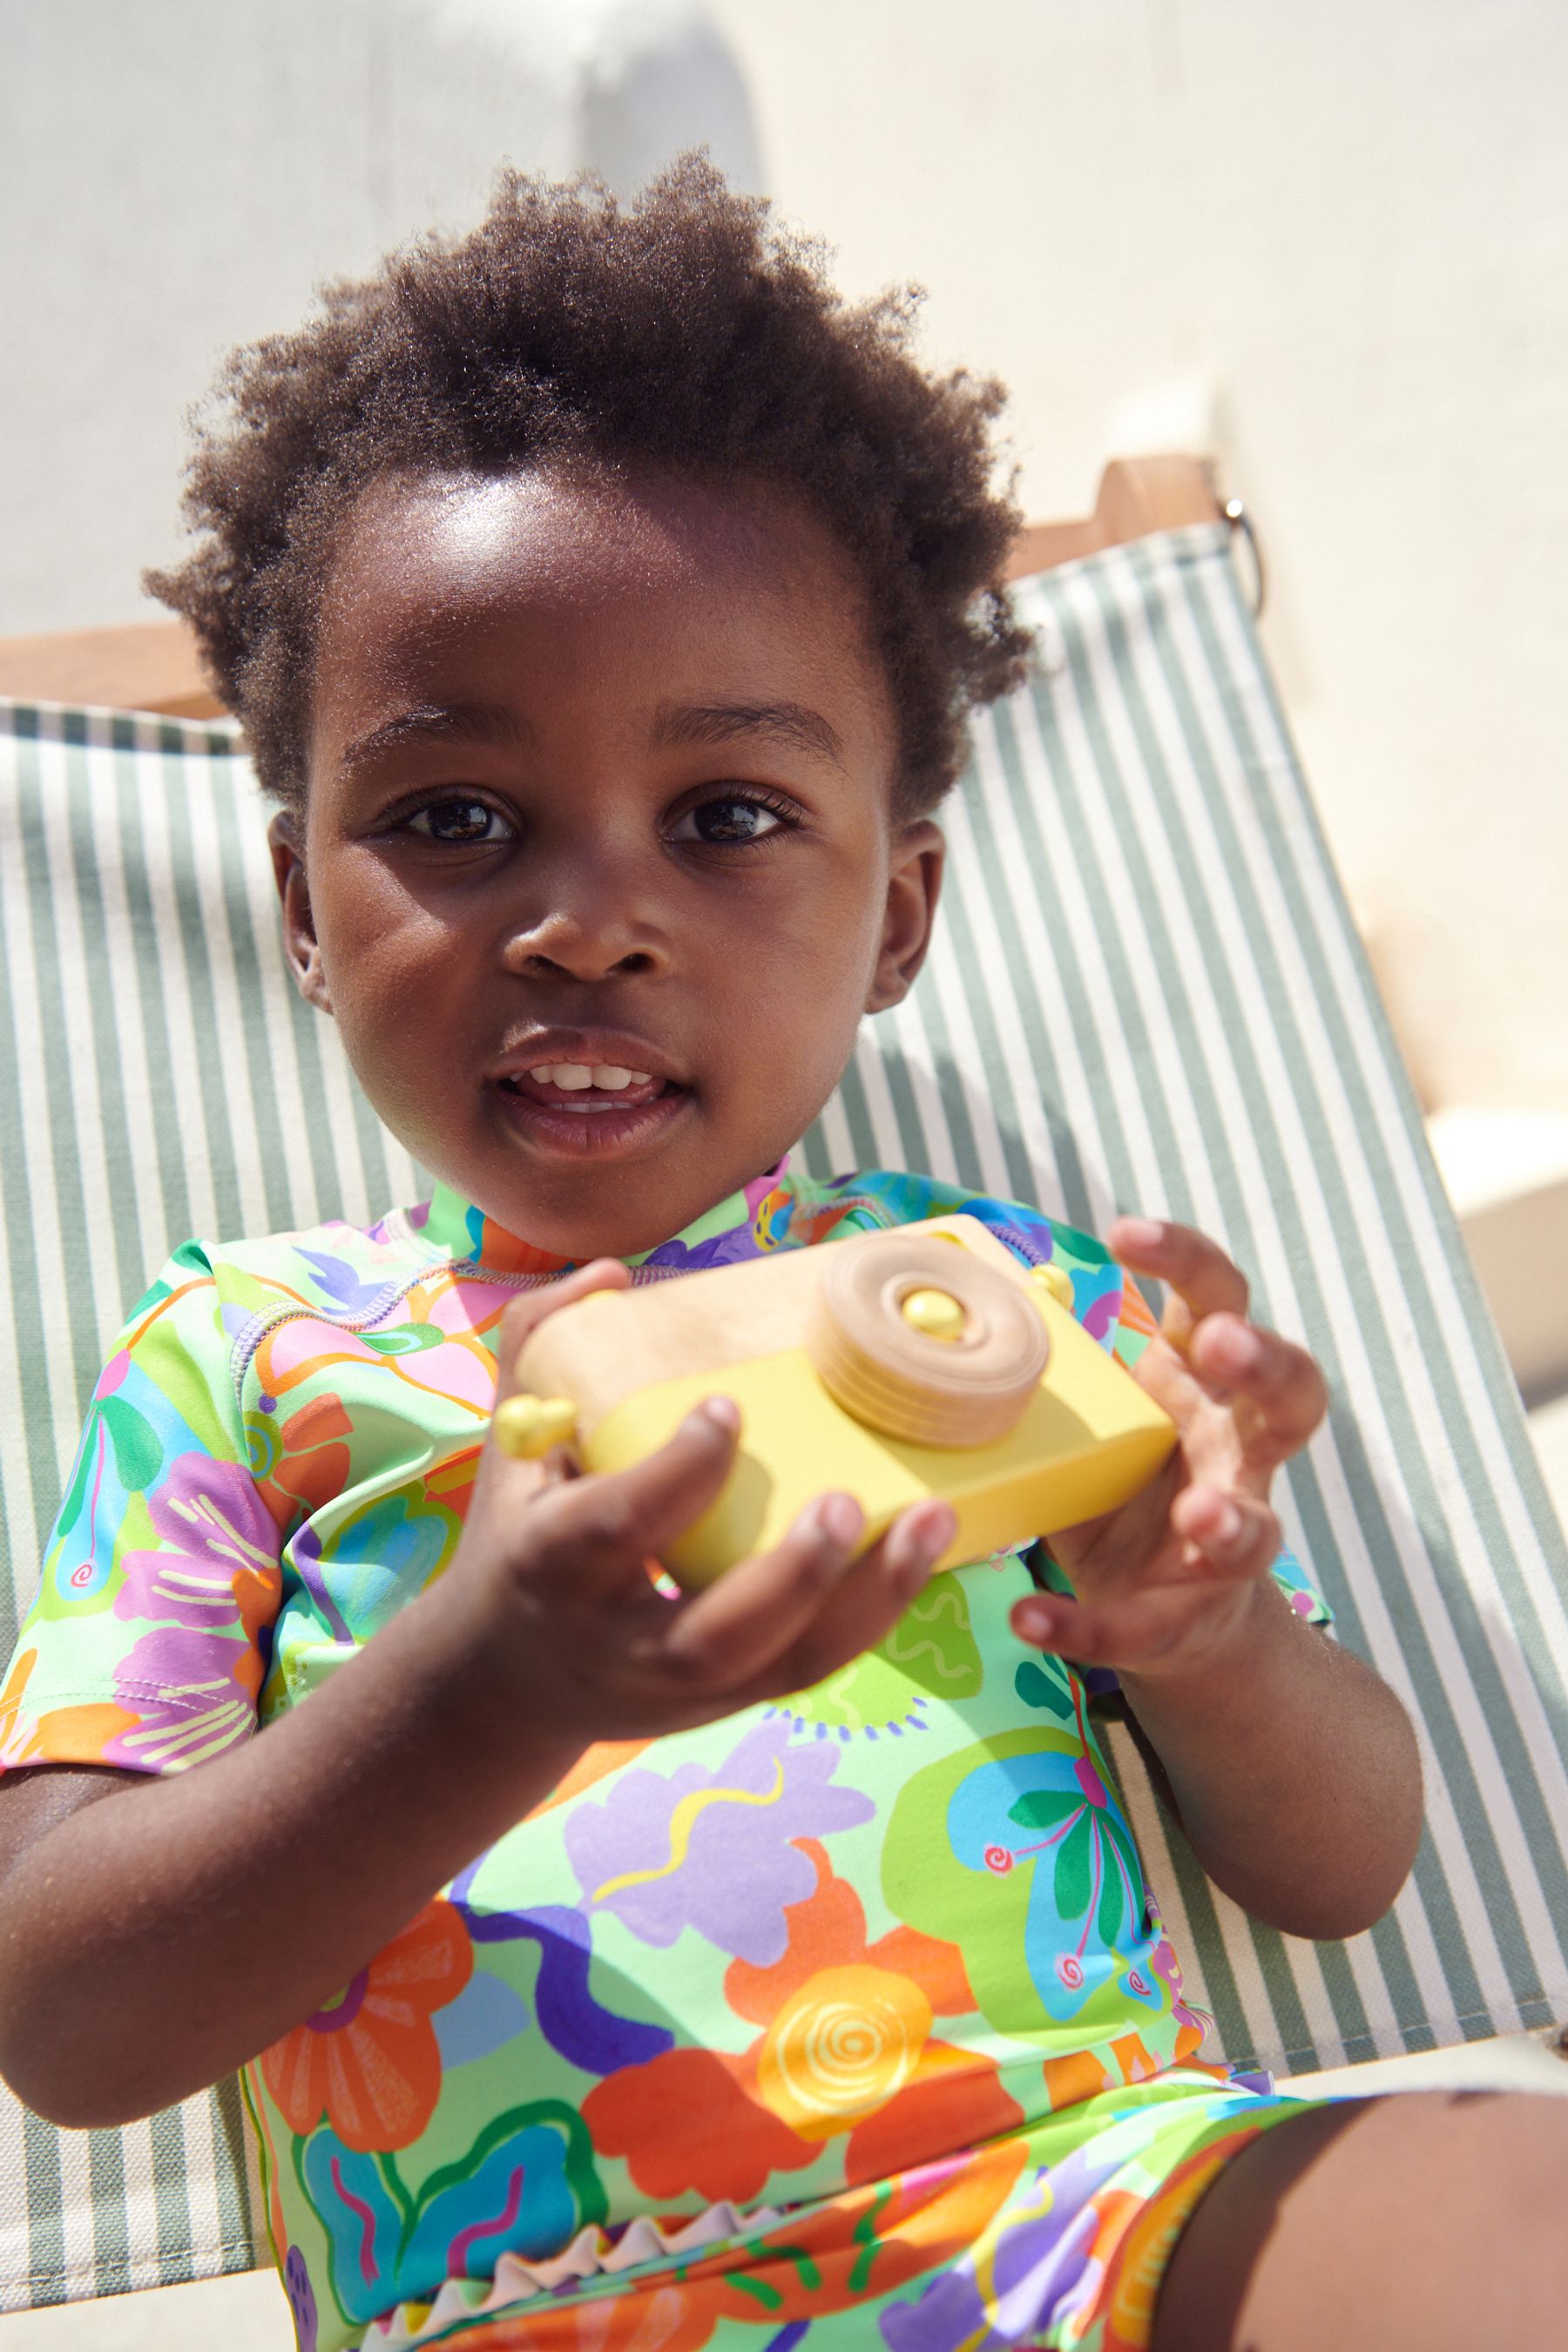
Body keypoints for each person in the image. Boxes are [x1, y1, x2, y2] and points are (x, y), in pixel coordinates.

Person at [0, 160, 1559, 2352]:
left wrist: (1204, 1638)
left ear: (897, 916)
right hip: (532, 2303)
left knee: (1529, 2206)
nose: (585, 918)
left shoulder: (1007, 1302)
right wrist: (493, 1681)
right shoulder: (242, 1355)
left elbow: (1345, 1868)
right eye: (452, 818)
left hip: (1080, 2216)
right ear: (295, 905)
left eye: (729, 816)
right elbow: (65, 2016)